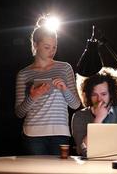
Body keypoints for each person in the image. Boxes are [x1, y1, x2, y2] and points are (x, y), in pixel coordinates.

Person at [14, 15, 81, 155]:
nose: (52, 51)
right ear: (35, 45)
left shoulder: (65, 68)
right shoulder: (24, 74)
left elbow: (75, 105)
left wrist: (65, 90)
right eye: (47, 47)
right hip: (33, 134)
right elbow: (19, 113)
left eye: (54, 47)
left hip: (60, 132)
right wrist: (33, 96)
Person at [72, 67, 117, 156]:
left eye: (103, 94)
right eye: (94, 95)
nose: (99, 99)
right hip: (91, 164)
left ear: (111, 93)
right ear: (88, 95)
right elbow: (82, 150)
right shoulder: (79, 116)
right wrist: (98, 119)